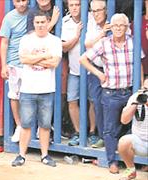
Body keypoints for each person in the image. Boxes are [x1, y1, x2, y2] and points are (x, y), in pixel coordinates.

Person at [81, 13, 141, 175]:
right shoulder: (104, 43)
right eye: (115, 26)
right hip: (110, 92)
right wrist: (99, 74)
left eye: (122, 25)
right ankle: (112, 161)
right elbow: (83, 59)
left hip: (129, 92)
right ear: (111, 27)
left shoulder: (133, 42)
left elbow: (139, 65)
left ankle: (131, 161)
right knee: (110, 130)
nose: (118, 28)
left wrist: (140, 89)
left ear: (127, 27)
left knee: (132, 128)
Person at [11, 12, 61, 168]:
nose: (40, 25)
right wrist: (44, 56)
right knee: (25, 124)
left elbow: (55, 63)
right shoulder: (26, 39)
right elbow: (23, 59)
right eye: (37, 22)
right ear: (33, 23)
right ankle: (21, 155)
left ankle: (44, 155)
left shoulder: (55, 41)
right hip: (28, 88)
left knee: (45, 124)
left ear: (48, 23)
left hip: (47, 89)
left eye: (43, 22)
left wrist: (34, 59)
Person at [0, 0, 28, 143]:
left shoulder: (32, 14)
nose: (22, 4)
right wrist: (4, 65)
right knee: (14, 96)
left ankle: (28, 126)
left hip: (30, 63)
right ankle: (19, 125)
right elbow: (4, 42)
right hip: (14, 64)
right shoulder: (9, 17)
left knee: (30, 96)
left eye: (24, 0)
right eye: (18, 1)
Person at [83, 0, 109, 149]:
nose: (96, 14)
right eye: (93, 11)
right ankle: (101, 136)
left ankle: (112, 136)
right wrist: (102, 33)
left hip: (113, 71)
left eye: (99, 10)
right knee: (97, 103)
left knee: (113, 104)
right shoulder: (92, 23)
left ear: (106, 10)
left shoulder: (114, 21)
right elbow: (87, 43)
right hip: (95, 69)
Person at [61, 0, 86, 147]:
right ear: (68, 7)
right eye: (72, 5)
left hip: (92, 69)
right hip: (75, 69)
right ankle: (78, 132)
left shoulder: (90, 17)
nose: (75, 8)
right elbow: (64, 48)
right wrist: (77, 36)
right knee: (72, 100)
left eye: (77, 4)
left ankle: (91, 133)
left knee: (92, 102)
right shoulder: (65, 22)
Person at [118, 78, 148, 180]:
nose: (146, 93)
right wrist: (135, 103)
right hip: (141, 142)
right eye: (145, 89)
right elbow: (124, 120)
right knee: (124, 141)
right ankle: (131, 170)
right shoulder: (136, 97)